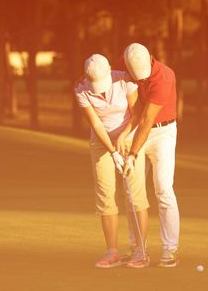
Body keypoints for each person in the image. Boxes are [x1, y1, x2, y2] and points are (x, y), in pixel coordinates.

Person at [74, 54, 150, 269]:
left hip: (129, 138)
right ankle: (112, 252)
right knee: (105, 195)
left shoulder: (125, 80)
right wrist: (112, 151)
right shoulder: (81, 89)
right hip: (101, 143)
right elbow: (97, 125)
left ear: (110, 70)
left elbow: (136, 115)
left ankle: (140, 251)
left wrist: (123, 139)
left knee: (135, 194)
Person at [118, 43, 180, 268]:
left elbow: (147, 120)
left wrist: (133, 153)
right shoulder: (124, 66)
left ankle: (170, 249)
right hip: (138, 130)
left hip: (162, 132)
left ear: (151, 60)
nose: (141, 81)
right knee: (131, 190)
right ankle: (137, 248)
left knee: (163, 188)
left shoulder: (164, 76)